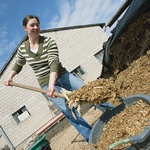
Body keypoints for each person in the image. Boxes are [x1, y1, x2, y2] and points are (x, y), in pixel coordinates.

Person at [4, 15, 92, 142]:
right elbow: (18, 64)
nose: (36, 27)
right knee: (67, 109)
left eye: (37, 24)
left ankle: (113, 110)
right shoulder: (23, 49)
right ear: (25, 28)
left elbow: (53, 63)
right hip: (45, 82)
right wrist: (9, 77)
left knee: (87, 91)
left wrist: (52, 85)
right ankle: (91, 136)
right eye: (32, 25)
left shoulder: (49, 42)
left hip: (60, 74)